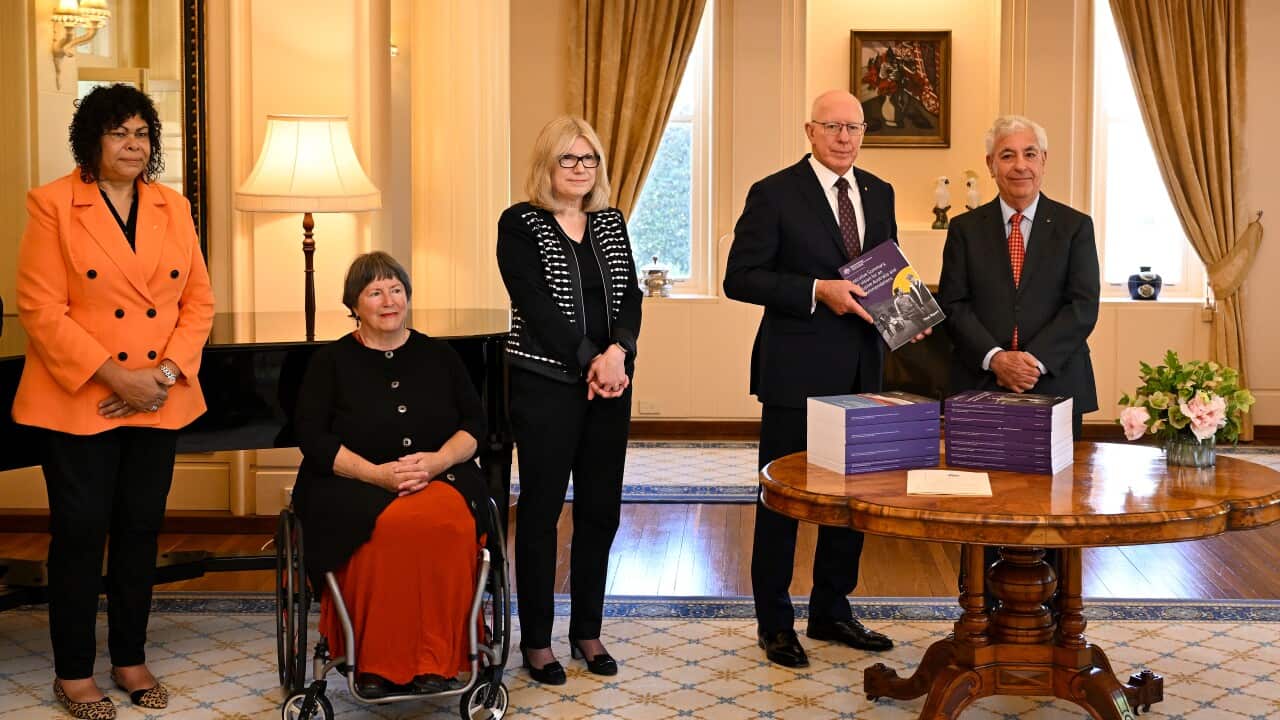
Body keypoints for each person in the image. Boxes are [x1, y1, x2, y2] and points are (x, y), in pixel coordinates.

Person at [13, 83, 215, 719]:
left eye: (141, 134)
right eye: (118, 132)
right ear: (91, 140)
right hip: (80, 399)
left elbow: (198, 303)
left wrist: (163, 374)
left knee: (139, 533)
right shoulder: (52, 204)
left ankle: (130, 658)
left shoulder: (173, 206)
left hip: (158, 396)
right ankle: (73, 673)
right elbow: (39, 310)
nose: (133, 145)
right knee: (79, 535)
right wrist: (115, 378)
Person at [723, 89, 902, 669]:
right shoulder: (774, 193)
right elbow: (740, 277)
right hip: (794, 375)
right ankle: (774, 623)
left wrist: (908, 317)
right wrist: (813, 291)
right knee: (782, 500)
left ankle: (831, 610)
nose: (846, 137)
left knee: (852, 501)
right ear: (810, 130)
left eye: (855, 127)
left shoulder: (880, 191)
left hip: (863, 372)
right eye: (834, 127)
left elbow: (882, 273)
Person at [290, 251, 490, 699]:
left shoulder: (440, 356)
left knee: (445, 524)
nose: (388, 300)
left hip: (441, 477)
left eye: (396, 289)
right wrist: (375, 475)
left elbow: (476, 426)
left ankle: (438, 660)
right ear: (354, 304)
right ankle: (373, 661)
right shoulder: (330, 362)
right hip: (351, 483)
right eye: (374, 292)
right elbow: (313, 438)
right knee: (385, 527)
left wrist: (438, 461)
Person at [496, 115, 642, 685]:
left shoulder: (610, 222)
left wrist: (619, 354)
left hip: (611, 385)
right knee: (539, 513)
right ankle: (536, 641)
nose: (581, 170)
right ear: (548, 164)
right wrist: (592, 359)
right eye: (569, 159)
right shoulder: (520, 223)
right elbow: (534, 305)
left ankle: (587, 631)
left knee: (601, 511)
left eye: (589, 160)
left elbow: (629, 296)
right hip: (544, 385)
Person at [936, 115, 1100, 604]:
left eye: (1030, 154)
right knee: (982, 508)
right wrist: (995, 359)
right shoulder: (965, 229)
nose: (1020, 165)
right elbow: (953, 303)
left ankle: (1053, 614)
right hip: (981, 387)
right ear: (990, 165)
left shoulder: (1074, 227)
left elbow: (1082, 306)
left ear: (1044, 162)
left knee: (1054, 510)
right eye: (1007, 155)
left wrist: (1031, 361)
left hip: (1056, 384)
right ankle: (979, 612)